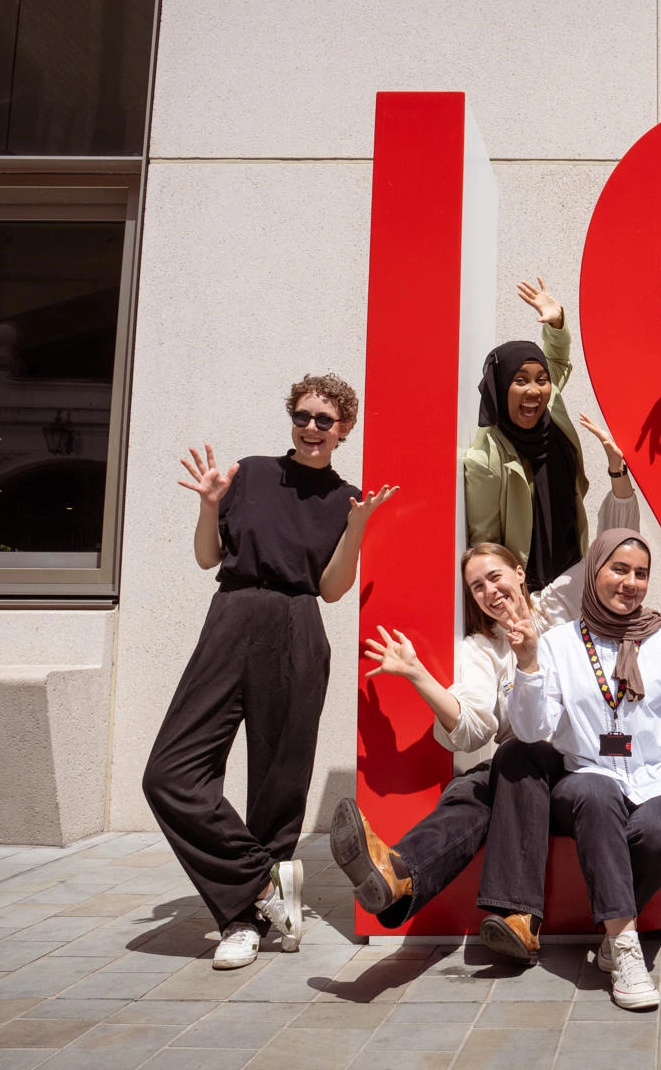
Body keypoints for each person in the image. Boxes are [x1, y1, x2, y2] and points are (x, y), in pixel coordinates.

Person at [326, 415, 636, 932]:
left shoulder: (559, 604)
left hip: (588, 761)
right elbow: (472, 727)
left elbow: (615, 542)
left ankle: (434, 884)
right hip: (527, 777)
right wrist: (419, 675)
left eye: (495, 576)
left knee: (504, 764)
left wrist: (616, 466)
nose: (489, 590)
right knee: (475, 788)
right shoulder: (482, 648)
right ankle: (408, 877)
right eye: (476, 587)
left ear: (518, 572)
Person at [143, 374, 395, 970]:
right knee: (169, 773)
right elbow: (208, 557)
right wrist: (209, 506)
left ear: (344, 430)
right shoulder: (251, 473)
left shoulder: (345, 498)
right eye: (302, 417)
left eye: (324, 421)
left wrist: (358, 528)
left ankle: (242, 923)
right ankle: (261, 886)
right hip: (232, 612)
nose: (311, 429)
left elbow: (332, 591)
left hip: (298, 624)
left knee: (279, 781)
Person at [474, 529, 661, 1011]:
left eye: (641, 573)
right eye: (619, 569)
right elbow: (533, 728)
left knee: (658, 835)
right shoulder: (559, 644)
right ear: (594, 572)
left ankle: (610, 937)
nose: (630, 582)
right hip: (589, 776)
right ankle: (629, 951)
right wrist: (527, 662)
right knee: (596, 793)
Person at [467, 277, 607, 591]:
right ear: (500, 388)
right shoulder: (486, 457)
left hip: (574, 573)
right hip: (530, 592)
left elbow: (557, 360)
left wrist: (556, 321)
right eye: (520, 380)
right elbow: (485, 544)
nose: (534, 389)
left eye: (541, 379)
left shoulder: (551, 405)